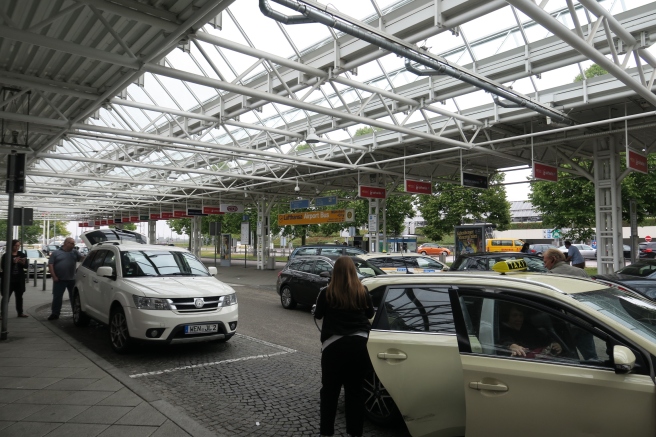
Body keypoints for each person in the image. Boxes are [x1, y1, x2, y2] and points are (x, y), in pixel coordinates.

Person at [314, 256, 374, 437]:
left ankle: (326, 433)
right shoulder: (362, 291)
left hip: (334, 347)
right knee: (355, 392)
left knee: (329, 393)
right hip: (359, 346)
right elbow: (370, 312)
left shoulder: (327, 292)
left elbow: (318, 314)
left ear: (335, 272)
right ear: (353, 271)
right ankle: (355, 433)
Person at [47, 237, 83, 320]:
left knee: (73, 297)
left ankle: (75, 313)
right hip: (59, 279)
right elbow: (51, 265)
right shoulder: (56, 253)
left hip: (72, 279)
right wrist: (54, 276)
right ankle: (55, 313)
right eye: (72, 243)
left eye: (74, 243)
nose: (73, 245)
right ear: (66, 243)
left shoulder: (75, 252)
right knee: (57, 297)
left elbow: (82, 259)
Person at [1, 240, 29, 318]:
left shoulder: (21, 254)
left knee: (19, 296)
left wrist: (22, 263)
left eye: (18, 246)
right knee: (6, 297)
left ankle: (20, 312)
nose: (17, 247)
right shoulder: (6, 255)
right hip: (9, 280)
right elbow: (4, 267)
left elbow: (26, 266)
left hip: (19, 279)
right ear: (11, 246)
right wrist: (13, 262)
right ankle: (2, 313)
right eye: (15, 246)